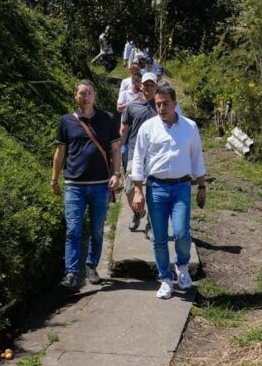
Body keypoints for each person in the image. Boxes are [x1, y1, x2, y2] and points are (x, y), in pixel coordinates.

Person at [129, 84, 207, 299]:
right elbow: (138, 159)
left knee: (182, 233)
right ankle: (165, 279)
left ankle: (181, 266)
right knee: (159, 237)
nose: (161, 108)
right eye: (158, 104)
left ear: (175, 103)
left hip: (181, 186)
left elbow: (197, 158)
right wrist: (138, 190)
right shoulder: (148, 128)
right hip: (156, 188)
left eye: (165, 104)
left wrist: (201, 186)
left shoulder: (190, 127)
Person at [51, 79, 122, 290]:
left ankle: (91, 266)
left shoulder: (107, 119)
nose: (86, 96)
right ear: (76, 96)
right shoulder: (66, 121)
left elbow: (116, 149)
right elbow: (60, 152)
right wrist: (54, 179)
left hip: (100, 185)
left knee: (97, 229)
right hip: (74, 185)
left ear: (95, 95)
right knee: (73, 230)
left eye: (89, 92)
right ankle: (71, 273)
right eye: (82, 93)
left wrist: (116, 173)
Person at [120, 72, 158, 231]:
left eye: (152, 85)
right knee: (129, 189)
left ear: (156, 87)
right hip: (134, 153)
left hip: (156, 155)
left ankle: (151, 223)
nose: (148, 88)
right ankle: (138, 211)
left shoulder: (162, 105)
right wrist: (117, 150)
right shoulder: (131, 106)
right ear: (140, 86)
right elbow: (123, 129)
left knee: (153, 192)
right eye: (146, 84)